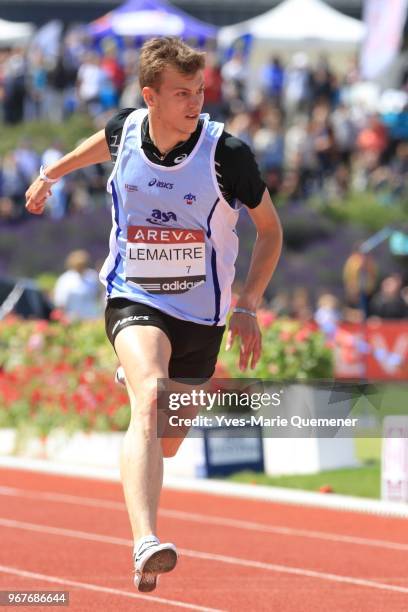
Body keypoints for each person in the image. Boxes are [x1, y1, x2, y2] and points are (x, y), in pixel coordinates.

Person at [25, 37, 282, 593]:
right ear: (151, 97)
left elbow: (270, 230)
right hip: (134, 294)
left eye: (200, 92)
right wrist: (51, 175)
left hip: (203, 315)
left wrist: (248, 304)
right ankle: (146, 540)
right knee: (153, 397)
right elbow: (96, 146)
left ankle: (144, 378)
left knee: (167, 436)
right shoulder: (126, 132)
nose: (196, 103)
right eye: (182, 94)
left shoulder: (225, 155)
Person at [54, 249, 102, 320]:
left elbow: (98, 296)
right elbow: (60, 302)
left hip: (92, 317)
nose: (81, 267)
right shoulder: (65, 279)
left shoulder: (92, 276)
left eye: (83, 265)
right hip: (73, 318)